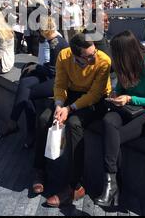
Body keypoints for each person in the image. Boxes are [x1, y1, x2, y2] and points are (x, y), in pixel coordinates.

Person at [32, 33, 111, 208]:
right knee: (45, 118)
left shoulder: (103, 60)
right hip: (71, 94)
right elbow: (60, 84)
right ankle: (40, 169)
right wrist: (60, 106)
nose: (93, 57)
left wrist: (70, 109)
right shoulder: (64, 55)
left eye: (94, 52)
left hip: (95, 99)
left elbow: (95, 94)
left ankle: (75, 185)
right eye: (88, 56)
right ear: (76, 56)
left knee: (75, 124)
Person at [94, 31, 145, 208]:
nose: (113, 57)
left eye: (116, 53)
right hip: (127, 108)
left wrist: (130, 99)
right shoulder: (123, 65)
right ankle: (111, 181)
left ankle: (113, 186)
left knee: (115, 138)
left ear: (127, 52)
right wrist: (116, 94)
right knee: (108, 122)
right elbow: (121, 88)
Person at [0, 16, 69, 148]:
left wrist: (36, 67)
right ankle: (15, 123)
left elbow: (53, 71)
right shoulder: (55, 39)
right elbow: (53, 65)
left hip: (59, 80)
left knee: (27, 93)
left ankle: (22, 128)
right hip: (52, 75)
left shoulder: (55, 43)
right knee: (25, 84)